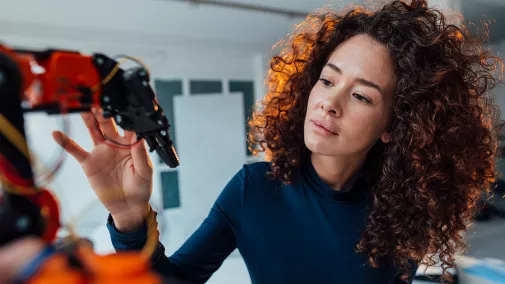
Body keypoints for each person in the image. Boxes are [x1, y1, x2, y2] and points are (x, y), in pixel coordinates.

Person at [51, 0, 503, 283]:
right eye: (328, 80)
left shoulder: (406, 210)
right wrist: (129, 220)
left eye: (362, 95)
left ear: (395, 125)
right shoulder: (253, 190)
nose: (329, 103)